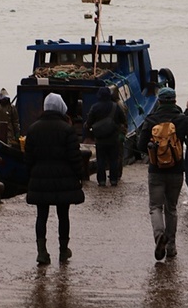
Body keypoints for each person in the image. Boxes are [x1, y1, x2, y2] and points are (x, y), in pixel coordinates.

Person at [137, 87, 188, 261]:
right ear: (175, 101)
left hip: (156, 170)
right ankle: (171, 246)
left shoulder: (151, 119)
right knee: (171, 208)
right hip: (176, 170)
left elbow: (140, 144)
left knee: (155, 207)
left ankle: (160, 237)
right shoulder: (183, 119)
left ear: (159, 102)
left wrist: (152, 150)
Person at [24, 93, 85, 266]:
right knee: (63, 215)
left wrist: (30, 178)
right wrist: (79, 176)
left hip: (40, 179)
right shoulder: (67, 130)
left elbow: (28, 159)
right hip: (63, 180)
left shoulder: (33, 129)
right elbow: (75, 157)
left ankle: (41, 252)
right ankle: (63, 250)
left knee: (41, 216)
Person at [84, 86, 127, 187]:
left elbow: (89, 123)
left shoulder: (94, 107)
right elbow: (123, 120)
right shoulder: (115, 107)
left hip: (100, 139)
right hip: (113, 139)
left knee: (101, 160)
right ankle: (113, 180)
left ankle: (101, 181)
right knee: (113, 160)